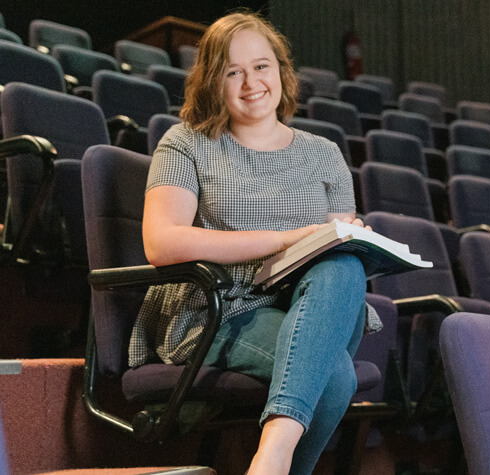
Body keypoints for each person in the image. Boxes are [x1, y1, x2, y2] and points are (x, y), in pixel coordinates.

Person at [131, 11, 380, 474]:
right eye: (233, 71)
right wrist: (288, 238)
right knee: (334, 377)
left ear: (281, 72)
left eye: (261, 66)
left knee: (344, 264)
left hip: (307, 310)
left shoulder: (324, 154)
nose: (251, 83)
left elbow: (332, 250)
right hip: (218, 311)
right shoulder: (185, 143)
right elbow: (161, 243)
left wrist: (349, 236)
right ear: (212, 81)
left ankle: (270, 458)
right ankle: (277, 459)